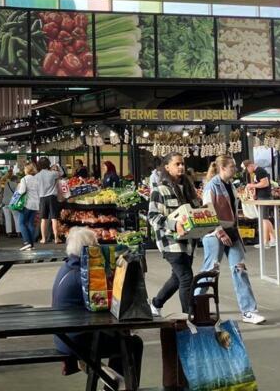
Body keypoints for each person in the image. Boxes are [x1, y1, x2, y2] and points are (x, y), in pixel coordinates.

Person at [51, 227, 144, 384]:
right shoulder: (83, 276)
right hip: (75, 341)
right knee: (132, 343)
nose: (99, 246)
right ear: (88, 248)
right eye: (96, 243)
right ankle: (122, 386)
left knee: (121, 336)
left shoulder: (69, 266)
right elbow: (103, 307)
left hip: (66, 336)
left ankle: (115, 383)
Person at [200, 156, 267, 325]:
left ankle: (249, 311)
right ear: (222, 168)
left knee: (240, 269)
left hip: (232, 231)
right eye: (232, 167)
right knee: (211, 270)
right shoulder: (211, 186)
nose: (235, 169)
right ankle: (194, 303)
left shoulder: (230, 185)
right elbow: (207, 210)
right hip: (214, 233)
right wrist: (219, 232)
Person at [147, 152, 199, 317]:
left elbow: (195, 212)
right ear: (167, 167)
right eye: (177, 164)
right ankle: (188, 319)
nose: (181, 167)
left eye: (182, 163)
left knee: (177, 278)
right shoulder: (159, 190)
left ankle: (156, 303)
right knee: (186, 278)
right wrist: (174, 225)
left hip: (188, 241)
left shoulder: (189, 190)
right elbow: (153, 216)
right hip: (170, 242)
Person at [241, 159, 276, 249]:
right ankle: (273, 239)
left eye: (247, 169)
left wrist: (252, 186)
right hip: (261, 197)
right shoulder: (256, 172)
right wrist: (255, 192)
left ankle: (265, 242)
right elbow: (260, 183)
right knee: (265, 219)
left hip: (265, 197)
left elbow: (265, 183)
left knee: (264, 219)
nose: (247, 171)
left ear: (250, 166)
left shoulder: (260, 171)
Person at [34, 157, 63, 244]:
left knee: (43, 219)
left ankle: (43, 238)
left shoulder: (37, 176)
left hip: (42, 198)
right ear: (49, 164)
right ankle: (56, 238)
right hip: (52, 198)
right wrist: (57, 166)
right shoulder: (53, 174)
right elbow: (61, 173)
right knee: (54, 218)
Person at [16, 162, 42, 251]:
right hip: (35, 204)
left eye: (24, 169)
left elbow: (22, 191)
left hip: (26, 204)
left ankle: (27, 242)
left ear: (27, 169)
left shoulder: (24, 179)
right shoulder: (37, 179)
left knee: (21, 223)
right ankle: (31, 244)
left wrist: (18, 189)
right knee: (31, 224)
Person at [0, 169, 19, 238]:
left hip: (5, 202)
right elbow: (17, 194)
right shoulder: (16, 185)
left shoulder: (6, 184)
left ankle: (9, 232)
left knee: (7, 218)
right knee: (16, 217)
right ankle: (18, 232)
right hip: (12, 203)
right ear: (15, 180)